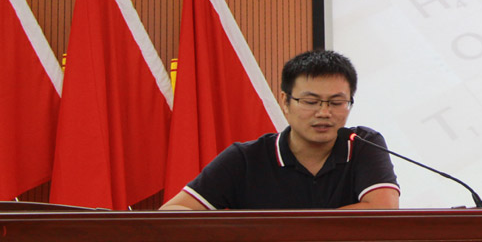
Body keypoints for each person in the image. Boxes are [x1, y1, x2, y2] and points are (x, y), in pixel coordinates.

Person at [160, 49, 400, 210]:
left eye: (337, 102)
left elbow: (383, 209)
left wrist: (289, 230)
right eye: (311, 101)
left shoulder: (362, 144)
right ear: (285, 102)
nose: (324, 112)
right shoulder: (246, 159)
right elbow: (173, 210)